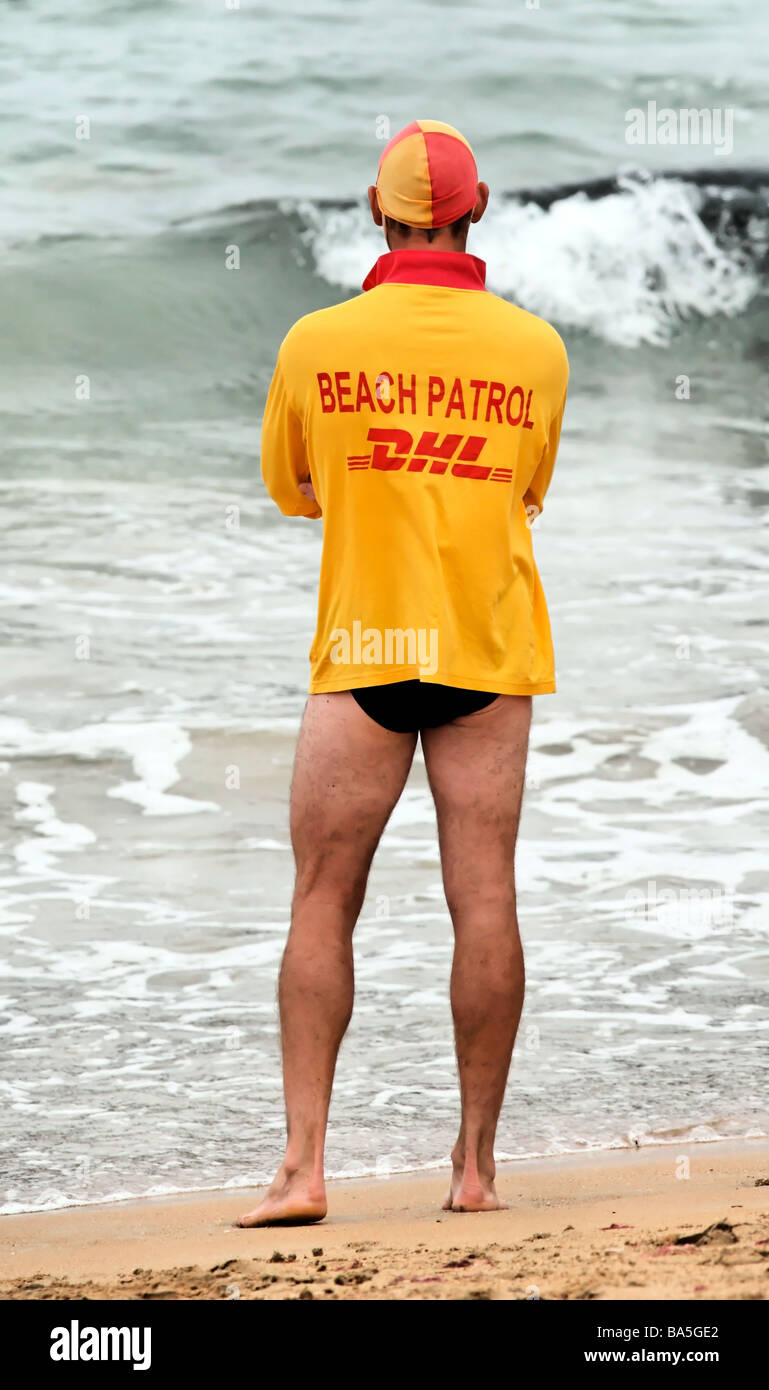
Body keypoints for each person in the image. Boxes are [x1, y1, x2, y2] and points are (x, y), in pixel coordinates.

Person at [238, 119, 569, 1226]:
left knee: (322, 897)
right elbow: (525, 489)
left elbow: (295, 488)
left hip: (365, 643)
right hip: (484, 643)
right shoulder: (535, 349)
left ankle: (303, 1167)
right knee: (484, 896)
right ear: (480, 211)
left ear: (374, 212)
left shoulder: (314, 340)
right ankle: (473, 1170)